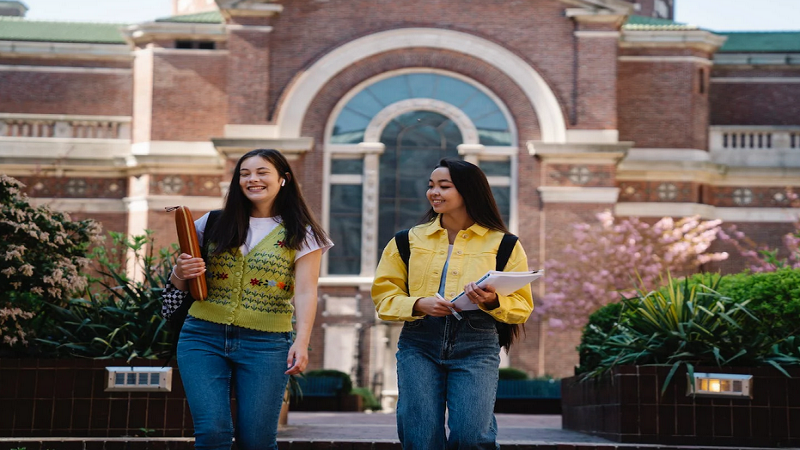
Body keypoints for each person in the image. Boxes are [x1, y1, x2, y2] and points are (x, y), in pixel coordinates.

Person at [165, 149, 332, 450]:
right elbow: (176, 287)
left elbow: (307, 291)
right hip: (203, 335)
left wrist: (301, 342)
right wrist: (179, 270)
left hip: (267, 343)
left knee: (257, 440)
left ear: (283, 179)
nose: (252, 179)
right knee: (212, 433)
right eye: (245, 173)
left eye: (262, 172)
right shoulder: (211, 223)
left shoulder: (302, 233)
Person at [372, 158, 534, 450]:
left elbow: (522, 306)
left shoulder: (504, 244)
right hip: (419, 342)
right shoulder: (406, 241)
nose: (434, 192)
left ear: (468, 191)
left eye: (444, 186)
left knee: (472, 436)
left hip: (477, 343)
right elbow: (384, 297)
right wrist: (419, 303)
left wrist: (492, 300)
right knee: (420, 436)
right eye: (431, 186)